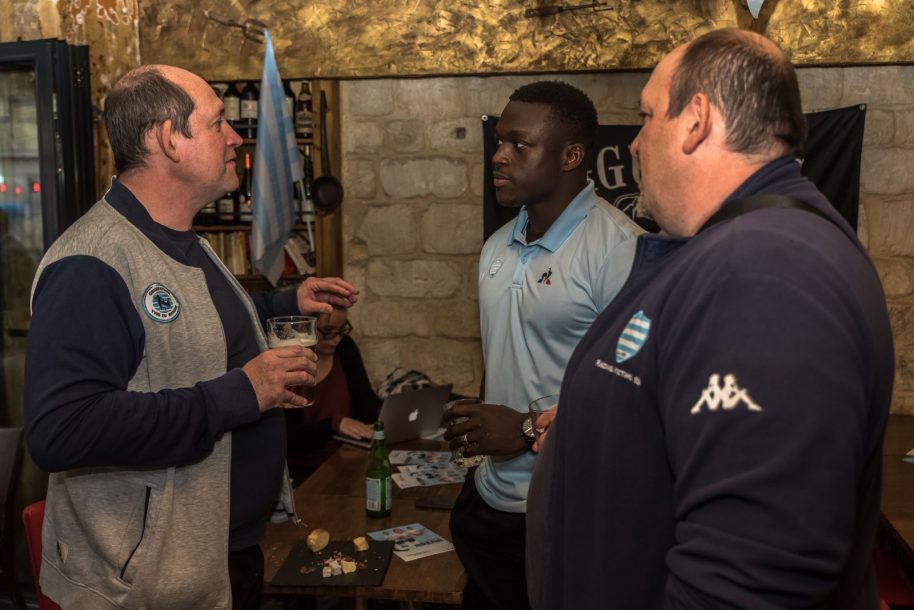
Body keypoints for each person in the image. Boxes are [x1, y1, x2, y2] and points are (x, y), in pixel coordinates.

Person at [527, 29, 894, 609]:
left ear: (696, 120)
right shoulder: (743, 251)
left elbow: (753, 575)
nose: (634, 144)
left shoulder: (763, 273)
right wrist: (602, 424)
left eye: (648, 117)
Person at [23, 64, 358, 610]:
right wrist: (238, 393)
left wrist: (282, 304)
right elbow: (62, 430)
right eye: (217, 123)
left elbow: (179, 327)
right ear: (167, 139)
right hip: (143, 584)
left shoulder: (183, 240)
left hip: (217, 557)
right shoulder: (92, 263)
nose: (235, 137)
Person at [441, 81, 643, 610]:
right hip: (489, 502)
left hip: (571, 511)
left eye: (518, 144)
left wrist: (529, 428)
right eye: (499, 142)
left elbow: (638, 402)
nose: (499, 156)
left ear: (572, 155)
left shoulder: (618, 253)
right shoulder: (496, 246)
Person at [284, 307, 381, 485]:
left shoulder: (345, 347)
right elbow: (288, 439)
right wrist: (333, 424)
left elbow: (365, 402)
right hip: (304, 471)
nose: (336, 339)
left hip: (347, 458)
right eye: (328, 331)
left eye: (342, 330)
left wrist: (384, 415)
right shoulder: (289, 365)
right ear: (305, 327)